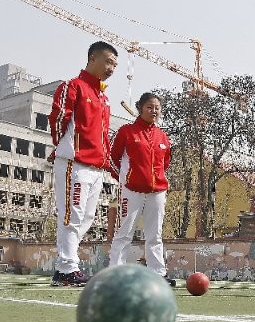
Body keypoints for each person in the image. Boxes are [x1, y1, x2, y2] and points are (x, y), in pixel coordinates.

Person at [48, 41, 118, 286]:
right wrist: (66, 148)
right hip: (74, 164)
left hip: (96, 169)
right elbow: (58, 119)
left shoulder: (104, 98)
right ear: (92, 58)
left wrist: (108, 166)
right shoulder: (73, 87)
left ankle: (64, 267)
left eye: (115, 65)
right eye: (108, 61)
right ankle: (68, 268)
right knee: (72, 215)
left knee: (87, 218)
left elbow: (104, 137)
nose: (112, 68)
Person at [108, 92, 174, 286]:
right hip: (132, 190)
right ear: (140, 108)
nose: (154, 111)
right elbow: (113, 158)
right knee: (124, 232)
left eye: (157, 108)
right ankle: (115, 273)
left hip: (158, 192)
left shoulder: (163, 136)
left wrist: (156, 180)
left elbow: (165, 163)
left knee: (155, 234)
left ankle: (158, 273)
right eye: (149, 107)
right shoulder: (126, 132)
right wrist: (124, 179)